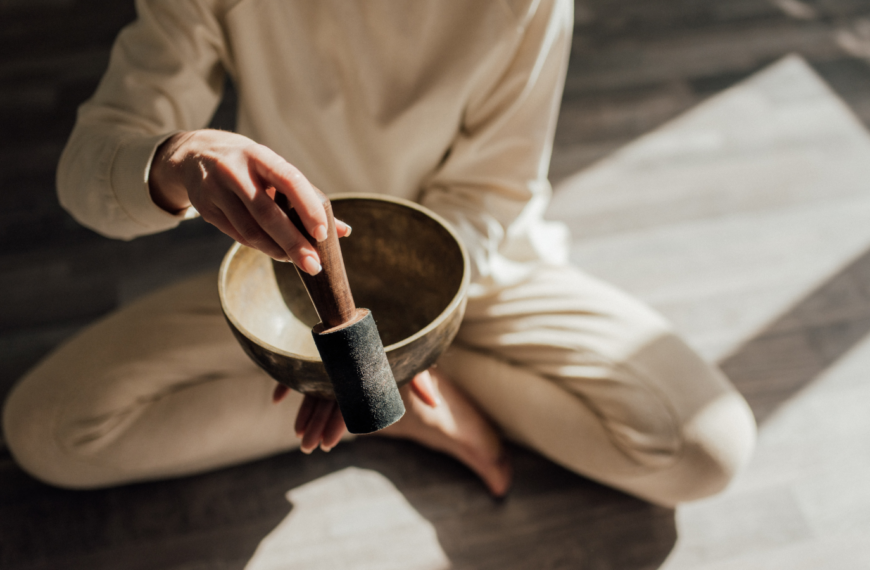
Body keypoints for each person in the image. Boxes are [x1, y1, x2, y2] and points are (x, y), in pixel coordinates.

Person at [2, 0, 756, 506]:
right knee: (51, 431)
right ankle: (394, 408)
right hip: (293, 292)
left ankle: (387, 392)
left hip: (475, 269)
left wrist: (381, 352)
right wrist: (174, 157)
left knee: (703, 448)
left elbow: (491, 192)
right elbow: (87, 168)